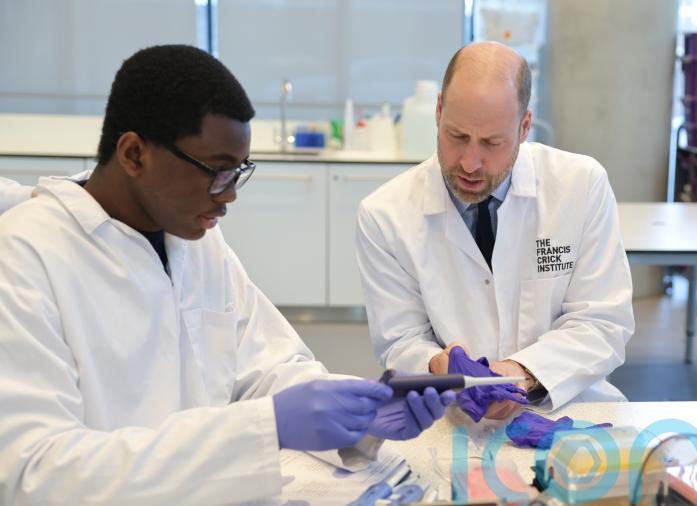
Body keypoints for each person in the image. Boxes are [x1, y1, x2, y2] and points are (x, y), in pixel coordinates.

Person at [0, 45, 453, 505]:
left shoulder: (196, 242)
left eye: (239, 172)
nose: (230, 195)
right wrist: (264, 428)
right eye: (217, 172)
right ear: (134, 154)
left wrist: (359, 417)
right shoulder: (26, 255)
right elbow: (34, 472)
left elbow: (268, 368)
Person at [356, 41, 634, 418]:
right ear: (438, 111)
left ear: (523, 127)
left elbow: (603, 321)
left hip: (567, 408)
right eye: (457, 137)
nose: (470, 162)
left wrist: (524, 374)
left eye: (492, 143)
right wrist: (438, 365)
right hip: (454, 416)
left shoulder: (580, 185)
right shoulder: (384, 214)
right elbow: (400, 340)